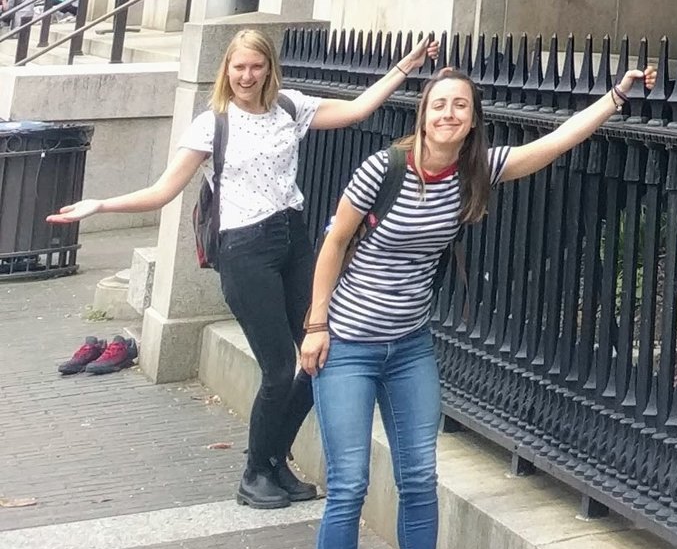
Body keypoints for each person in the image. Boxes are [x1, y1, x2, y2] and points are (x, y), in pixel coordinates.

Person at [299, 56, 653, 549]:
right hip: (349, 343)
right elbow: (333, 243)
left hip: (409, 345)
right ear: (423, 113)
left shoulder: (475, 172)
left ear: (472, 121)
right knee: (350, 484)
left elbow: (553, 144)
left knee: (419, 475)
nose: (448, 114)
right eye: (439, 104)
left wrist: (616, 98)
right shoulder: (381, 170)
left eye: (460, 107)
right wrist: (316, 325)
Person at [50, 26, 437, 502]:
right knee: (278, 369)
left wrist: (404, 67)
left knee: (320, 357)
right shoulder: (213, 124)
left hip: (294, 239)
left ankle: (276, 462)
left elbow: (357, 109)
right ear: (226, 70)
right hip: (245, 250)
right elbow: (163, 190)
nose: (247, 76)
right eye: (239, 68)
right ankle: (255, 474)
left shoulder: (290, 108)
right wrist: (101, 206)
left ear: (269, 69)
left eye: (256, 67)